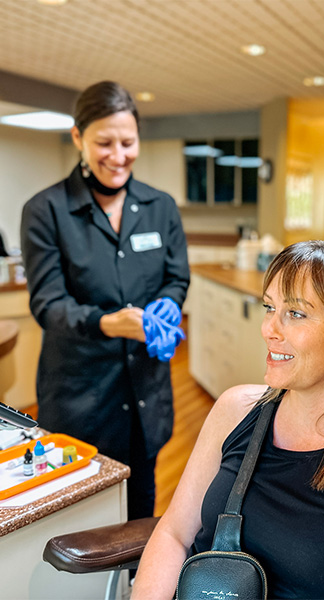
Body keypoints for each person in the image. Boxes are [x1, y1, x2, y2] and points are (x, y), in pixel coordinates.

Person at [132, 240, 324, 600]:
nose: (269, 329)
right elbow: (174, 534)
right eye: (269, 307)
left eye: (295, 313)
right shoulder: (234, 410)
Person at [21, 81, 190, 520]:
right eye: (104, 142)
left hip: (144, 399)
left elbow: (175, 278)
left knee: (138, 516)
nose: (118, 156)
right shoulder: (46, 212)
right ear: (78, 138)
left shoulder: (160, 207)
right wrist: (107, 323)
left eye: (128, 142)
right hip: (81, 401)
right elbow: (48, 304)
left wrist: (169, 303)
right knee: (79, 520)